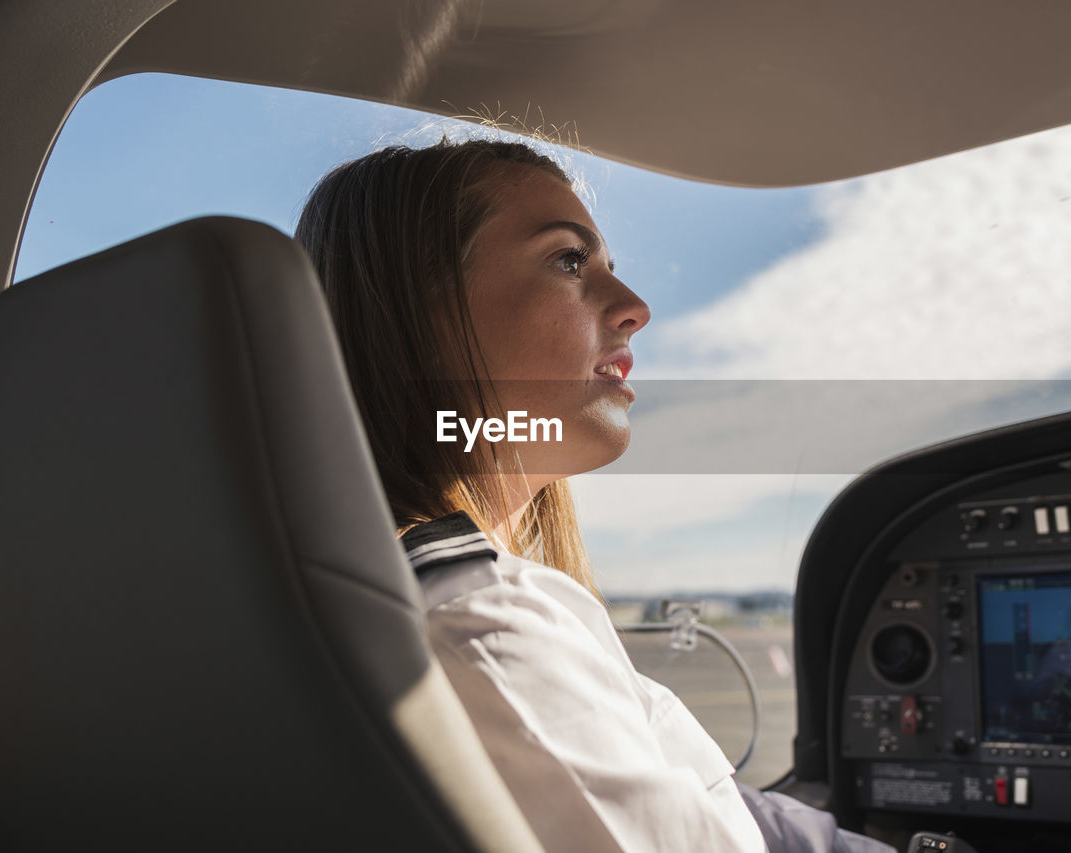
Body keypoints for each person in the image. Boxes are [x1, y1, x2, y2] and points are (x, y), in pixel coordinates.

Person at [294, 137, 895, 853]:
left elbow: (736, 815)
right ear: (414, 315)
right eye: (568, 260)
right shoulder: (478, 627)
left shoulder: (480, 608)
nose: (635, 307)